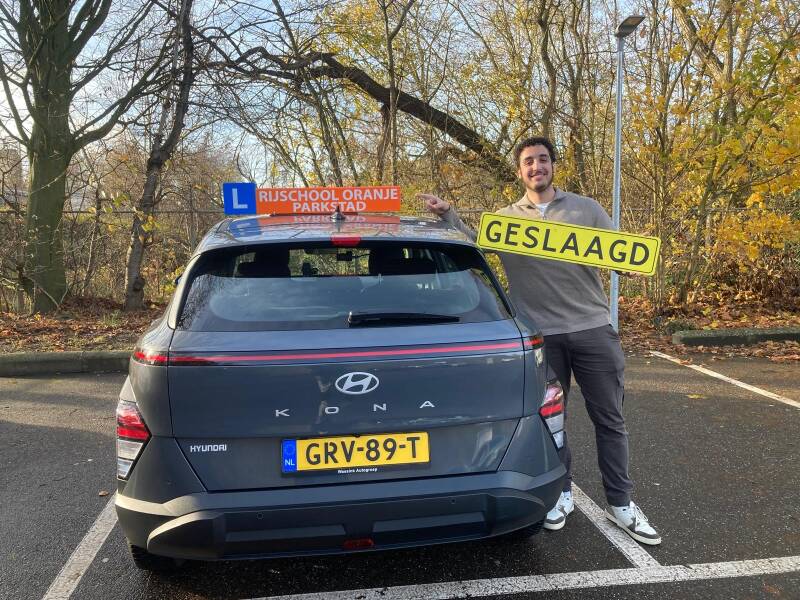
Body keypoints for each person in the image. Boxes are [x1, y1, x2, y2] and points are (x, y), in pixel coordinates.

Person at [419, 136, 661, 545]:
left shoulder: (587, 209)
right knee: (551, 423)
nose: (537, 167)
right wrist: (448, 215)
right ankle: (561, 495)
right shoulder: (506, 219)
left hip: (592, 329)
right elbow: (476, 245)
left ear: (552, 165)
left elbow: (618, 253)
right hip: (541, 337)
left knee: (610, 420)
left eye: (543, 159)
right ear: (520, 171)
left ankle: (621, 503)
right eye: (529, 161)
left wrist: (632, 263)